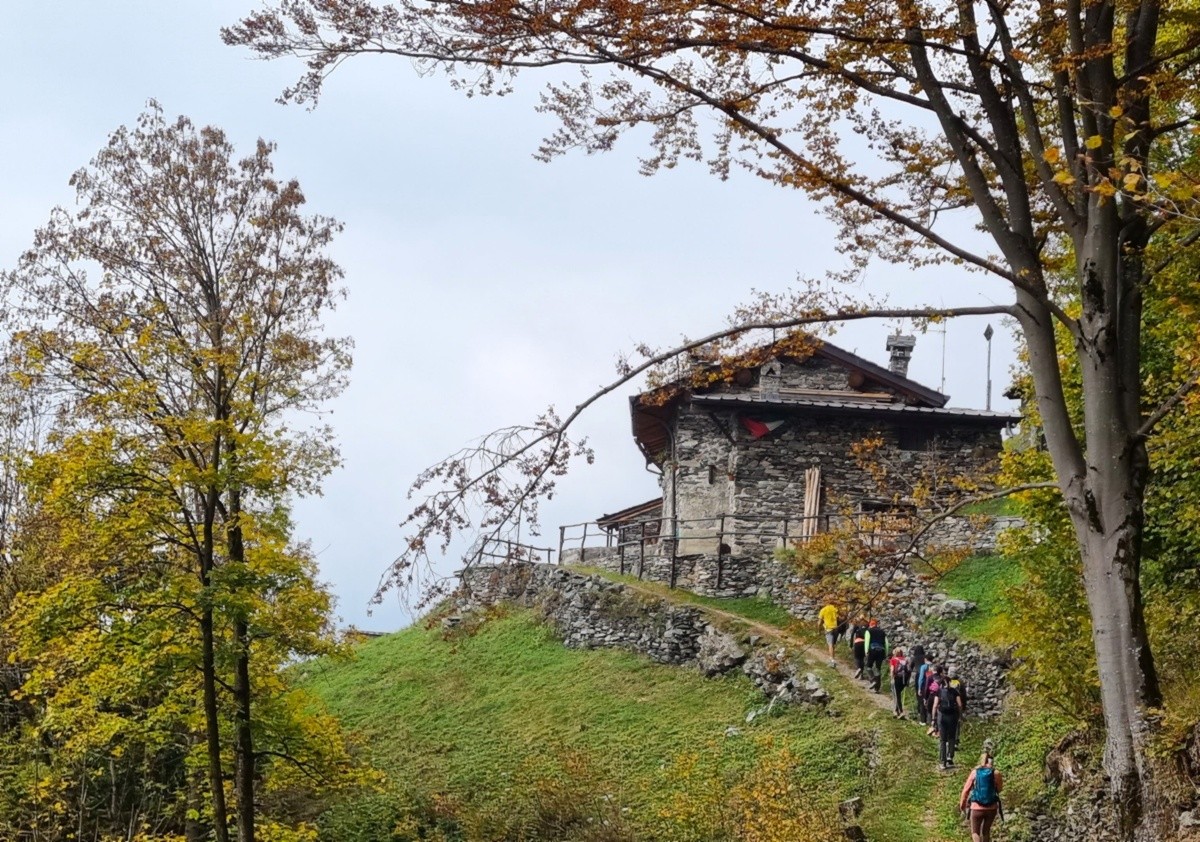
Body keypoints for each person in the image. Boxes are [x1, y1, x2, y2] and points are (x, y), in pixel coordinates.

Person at [959, 752, 1004, 842]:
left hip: (976, 808)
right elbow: (999, 789)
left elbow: (965, 790)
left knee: (975, 832)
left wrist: (962, 805)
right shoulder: (996, 773)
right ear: (991, 761)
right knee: (986, 832)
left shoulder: (975, 772)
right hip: (992, 808)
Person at [932, 664, 964, 768]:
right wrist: (960, 715)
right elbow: (960, 705)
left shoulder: (939, 691)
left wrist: (933, 718)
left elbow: (935, 705)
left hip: (942, 717)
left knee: (942, 739)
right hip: (953, 717)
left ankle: (943, 762)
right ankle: (950, 756)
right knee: (951, 737)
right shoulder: (955, 691)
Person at [864, 619, 887, 692]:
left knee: (868, 666)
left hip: (873, 650)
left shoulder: (869, 631)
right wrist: (886, 653)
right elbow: (886, 643)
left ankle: (873, 680)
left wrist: (866, 651)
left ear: (870, 624)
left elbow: (867, 641)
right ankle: (877, 688)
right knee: (878, 669)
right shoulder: (882, 632)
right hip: (881, 651)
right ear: (876, 624)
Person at [817, 600, 840, 666]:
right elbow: (838, 618)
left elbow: (819, 623)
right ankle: (832, 657)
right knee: (833, 644)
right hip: (835, 628)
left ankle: (832, 660)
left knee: (830, 645)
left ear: (826, 602)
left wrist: (819, 631)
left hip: (828, 629)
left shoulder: (823, 610)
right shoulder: (834, 609)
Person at [915, 651, 935, 725]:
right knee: (931, 703)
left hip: (924, 686)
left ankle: (923, 720)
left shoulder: (923, 667)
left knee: (922, 703)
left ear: (926, 659)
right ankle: (931, 720)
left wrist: (919, 688)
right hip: (933, 687)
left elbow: (921, 678)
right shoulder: (934, 667)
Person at [888, 647, 908, 717]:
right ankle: (898, 710)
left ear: (895, 653)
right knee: (898, 695)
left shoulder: (893, 660)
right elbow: (908, 670)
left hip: (896, 678)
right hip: (904, 679)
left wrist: (891, 678)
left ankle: (898, 711)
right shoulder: (905, 660)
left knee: (896, 695)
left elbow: (892, 669)